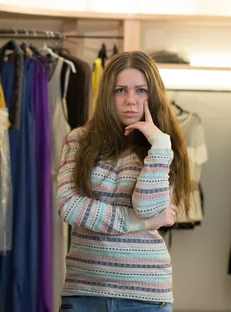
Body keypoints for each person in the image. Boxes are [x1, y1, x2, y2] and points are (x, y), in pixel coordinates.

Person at [56, 50, 191, 311]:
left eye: (141, 90)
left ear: (154, 94)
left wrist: (160, 144)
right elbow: (69, 206)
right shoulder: (78, 140)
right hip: (85, 291)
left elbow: (148, 207)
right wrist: (142, 223)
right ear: (108, 94)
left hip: (146, 295)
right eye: (121, 90)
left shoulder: (163, 146)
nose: (131, 100)